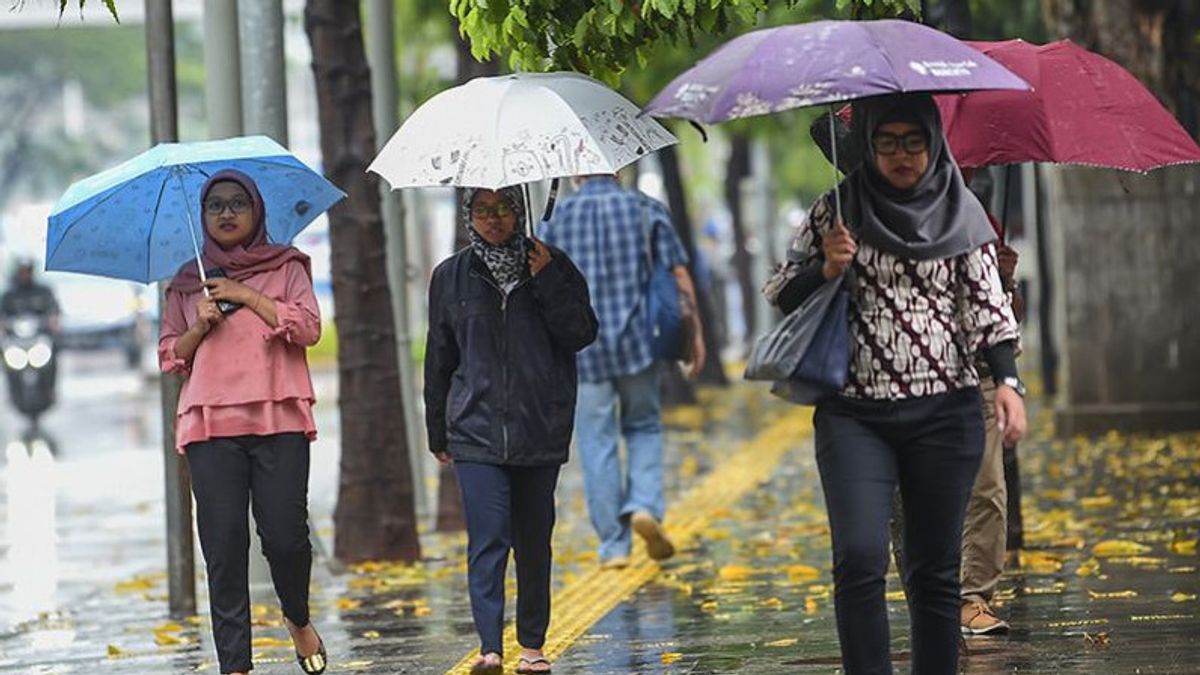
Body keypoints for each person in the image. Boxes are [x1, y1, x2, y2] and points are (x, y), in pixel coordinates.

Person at [764, 94, 1026, 675]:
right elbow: (781, 293)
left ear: (932, 142)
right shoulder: (836, 210)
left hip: (944, 411)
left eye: (913, 141)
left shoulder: (963, 212)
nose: (902, 155)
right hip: (854, 414)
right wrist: (825, 268)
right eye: (887, 142)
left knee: (934, 571)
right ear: (869, 144)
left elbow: (989, 309)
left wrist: (1007, 382)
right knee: (858, 558)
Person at [158, 170, 326, 675]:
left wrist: (245, 294)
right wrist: (200, 325)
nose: (226, 213)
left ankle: (297, 617)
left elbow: (309, 328)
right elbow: (169, 356)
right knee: (224, 547)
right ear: (204, 218)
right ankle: (236, 665)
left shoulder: (288, 266)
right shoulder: (188, 281)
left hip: (279, 417)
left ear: (256, 211)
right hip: (211, 425)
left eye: (237, 204)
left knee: (286, 539)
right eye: (215, 206)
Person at [424, 186, 598, 675]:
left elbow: (581, 333)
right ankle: (489, 648)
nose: (494, 219)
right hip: (474, 428)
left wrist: (546, 281)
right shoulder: (450, 276)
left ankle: (532, 646)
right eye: (483, 210)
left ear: (519, 211)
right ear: (469, 216)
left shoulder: (553, 265)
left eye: (503, 209)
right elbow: (439, 357)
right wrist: (437, 430)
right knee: (487, 536)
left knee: (533, 538)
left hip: (539, 424)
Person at [540, 174, 705, 569]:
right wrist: (695, 334)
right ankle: (644, 504)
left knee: (597, 443)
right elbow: (679, 275)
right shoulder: (646, 209)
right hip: (639, 344)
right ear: (616, 167)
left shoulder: (554, 220)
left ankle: (614, 546)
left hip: (584, 349)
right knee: (644, 425)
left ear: (577, 173)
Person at [958, 168, 1027, 636]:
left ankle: (973, 597)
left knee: (988, 488)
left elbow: (1005, 316)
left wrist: (1006, 279)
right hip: (915, 381)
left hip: (980, 374)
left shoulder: (978, 218)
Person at [1, 258, 61, 330]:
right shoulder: (10, 294)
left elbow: (53, 307)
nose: (25, 274)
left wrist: (53, 318)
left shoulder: (43, 291)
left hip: (40, 330)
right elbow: (3, 311)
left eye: (27, 271)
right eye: (22, 271)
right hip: (15, 332)